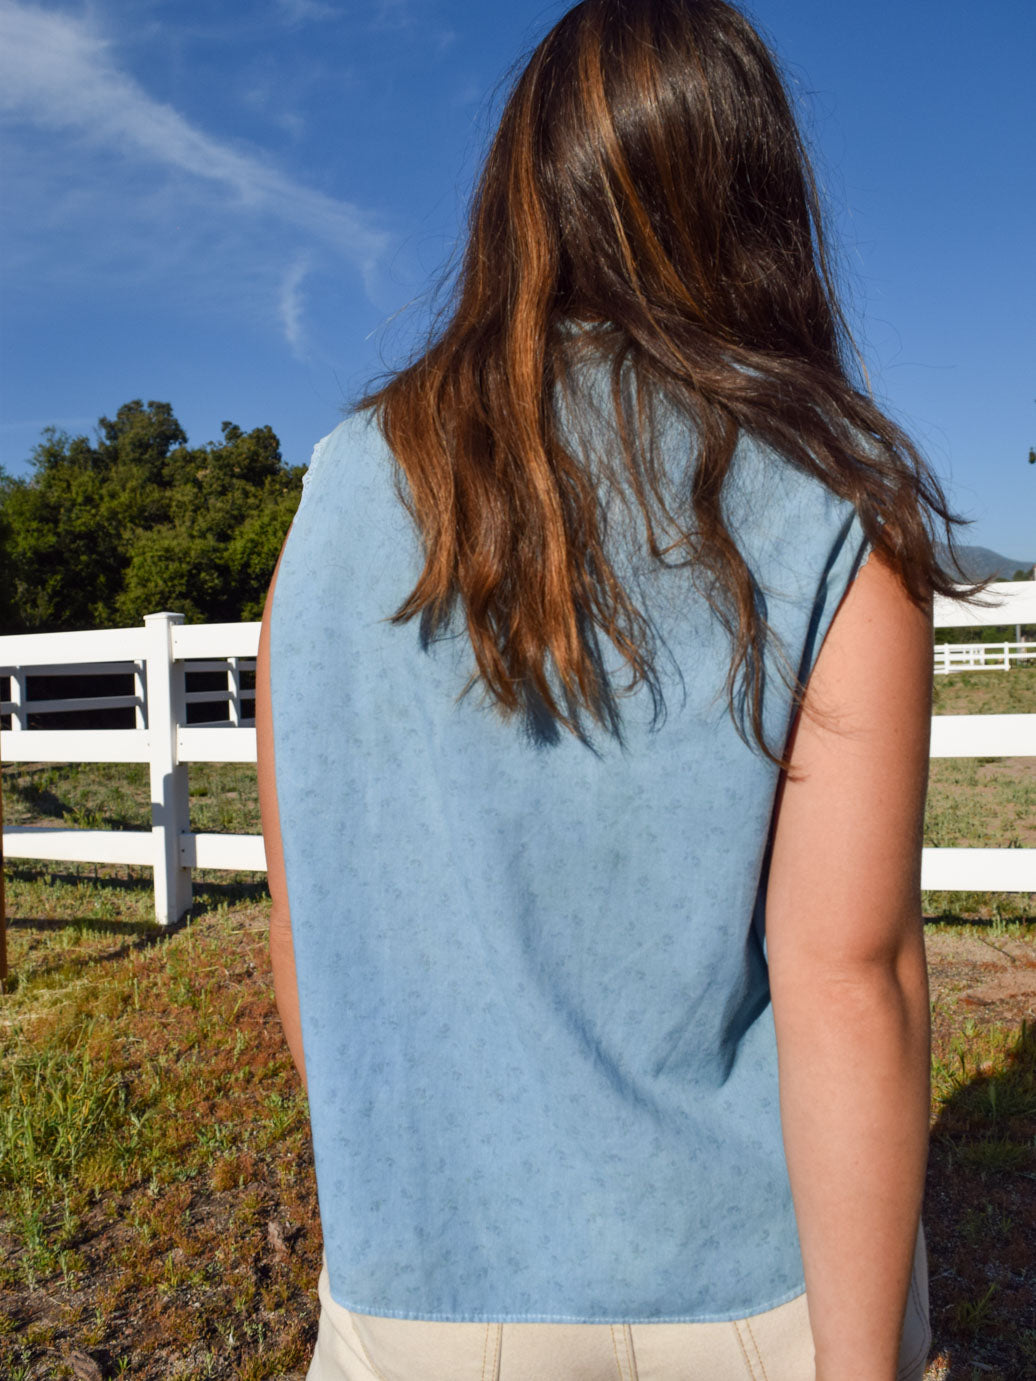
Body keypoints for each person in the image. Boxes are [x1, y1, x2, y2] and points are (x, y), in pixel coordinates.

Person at [256, 2, 976, 1376]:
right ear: (757, 198)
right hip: (741, 1296)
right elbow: (851, 980)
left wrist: (424, 1203)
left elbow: (311, 930)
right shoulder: (830, 497)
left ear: (520, 195)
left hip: (411, 1295)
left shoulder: (341, 490)